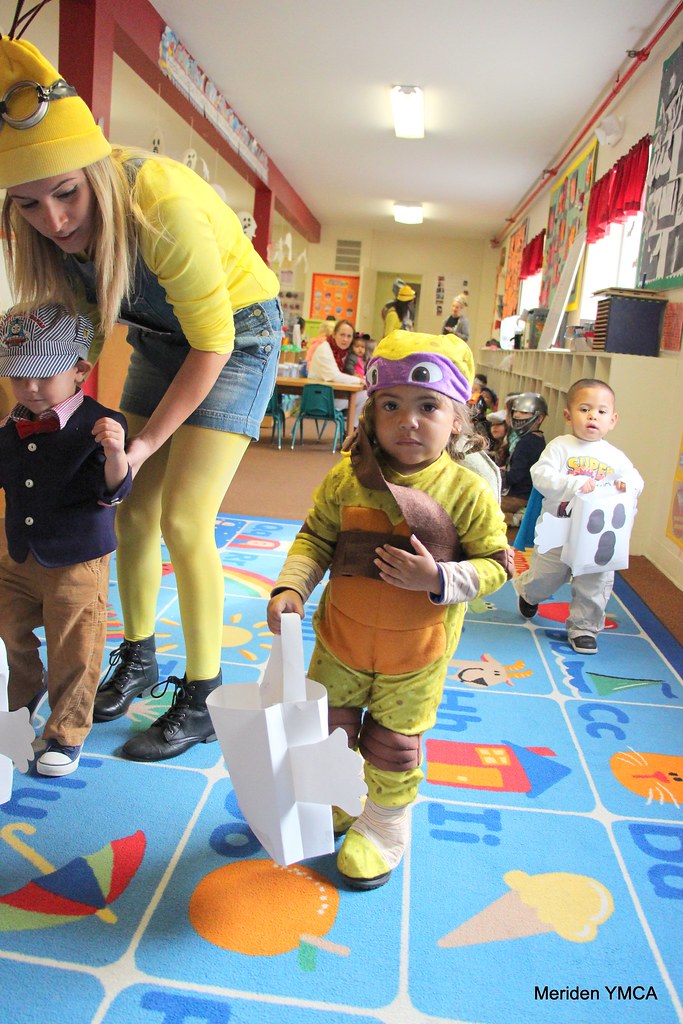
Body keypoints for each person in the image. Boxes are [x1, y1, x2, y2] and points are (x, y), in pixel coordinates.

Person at [0, 35, 283, 762]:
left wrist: (146, 443)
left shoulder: (162, 205)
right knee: (123, 509)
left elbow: (213, 343)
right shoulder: (40, 235)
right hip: (159, 336)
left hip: (237, 336)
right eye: (30, 205)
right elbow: (83, 335)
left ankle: (204, 693)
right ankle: (139, 656)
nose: (55, 221)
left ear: (94, 168)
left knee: (186, 517)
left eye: (67, 192)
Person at [267, 330, 511, 890]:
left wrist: (439, 577)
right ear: (371, 414)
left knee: (393, 744)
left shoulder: (467, 492)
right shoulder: (346, 478)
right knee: (327, 731)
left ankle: (383, 823)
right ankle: (337, 798)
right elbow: (314, 539)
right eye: (391, 406)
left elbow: (498, 565)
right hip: (340, 641)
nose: (409, 421)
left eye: (429, 407)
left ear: (457, 418)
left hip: (415, 654)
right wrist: (291, 589)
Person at [0, 304, 131, 777]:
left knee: (75, 646)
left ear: (79, 369)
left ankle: (65, 731)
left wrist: (116, 454)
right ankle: (18, 702)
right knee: (8, 631)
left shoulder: (101, 424)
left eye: (41, 375)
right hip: (17, 553)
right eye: (17, 376)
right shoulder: (12, 423)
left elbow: (113, 489)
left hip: (77, 559)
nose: (29, 387)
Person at [514, 379, 643, 655]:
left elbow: (635, 480)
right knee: (546, 576)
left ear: (613, 419)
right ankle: (529, 592)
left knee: (594, 583)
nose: (593, 416)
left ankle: (584, 628)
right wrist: (572, 484)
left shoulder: (615, 457)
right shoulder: (560, 448)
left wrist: (627, 486)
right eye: (585, 409)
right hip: (558, 531)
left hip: (596, 537)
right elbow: (541, 476)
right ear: (568, 415)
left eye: (601, 411)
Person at [308, 319, 367, 427]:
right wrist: (359, 380)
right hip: (320, 398)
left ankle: (352, 430)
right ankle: (352, 431)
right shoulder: (324, 349)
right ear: (334, 334)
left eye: (349, 336)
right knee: (365, 395)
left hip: (332, 395)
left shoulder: (344, 353)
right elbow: (334, 376)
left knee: (365, 394)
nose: (345, 339)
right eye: (342, 335)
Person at [501, 393, 547, 524]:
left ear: (539, 418)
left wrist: (500, 474)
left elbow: (515, 476)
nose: (517, 415)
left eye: (524, 412)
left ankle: (515, 519)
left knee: (487, 506)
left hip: (520, 496)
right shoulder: (538, 439)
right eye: (515, 411)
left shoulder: (526, 442)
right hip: (526, 494)